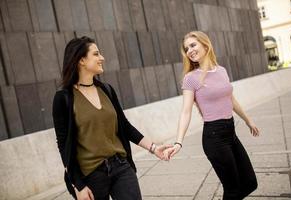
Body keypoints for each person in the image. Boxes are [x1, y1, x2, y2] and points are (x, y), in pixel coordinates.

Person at [52, 36, 171, 200]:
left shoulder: (107, 90)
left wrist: (154, 148)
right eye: (96, 54)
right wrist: (78, 186)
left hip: (121, 166)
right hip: (91, 175)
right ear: (81, 60)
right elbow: (63, 145)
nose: (102, 58)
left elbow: (125, 126)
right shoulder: (63, 98)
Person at [164, 31, 260, 200]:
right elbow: (186, 111)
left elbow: (231, 99)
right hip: (214, 138)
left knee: (250, 182)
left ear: (205, 44)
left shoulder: (221, 70)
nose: (190, 51)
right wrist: (178, 142)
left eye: (193, 45)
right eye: (187, 49)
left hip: (231, 133)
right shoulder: (190, 78)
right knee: (232, 190)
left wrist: (248, 120)